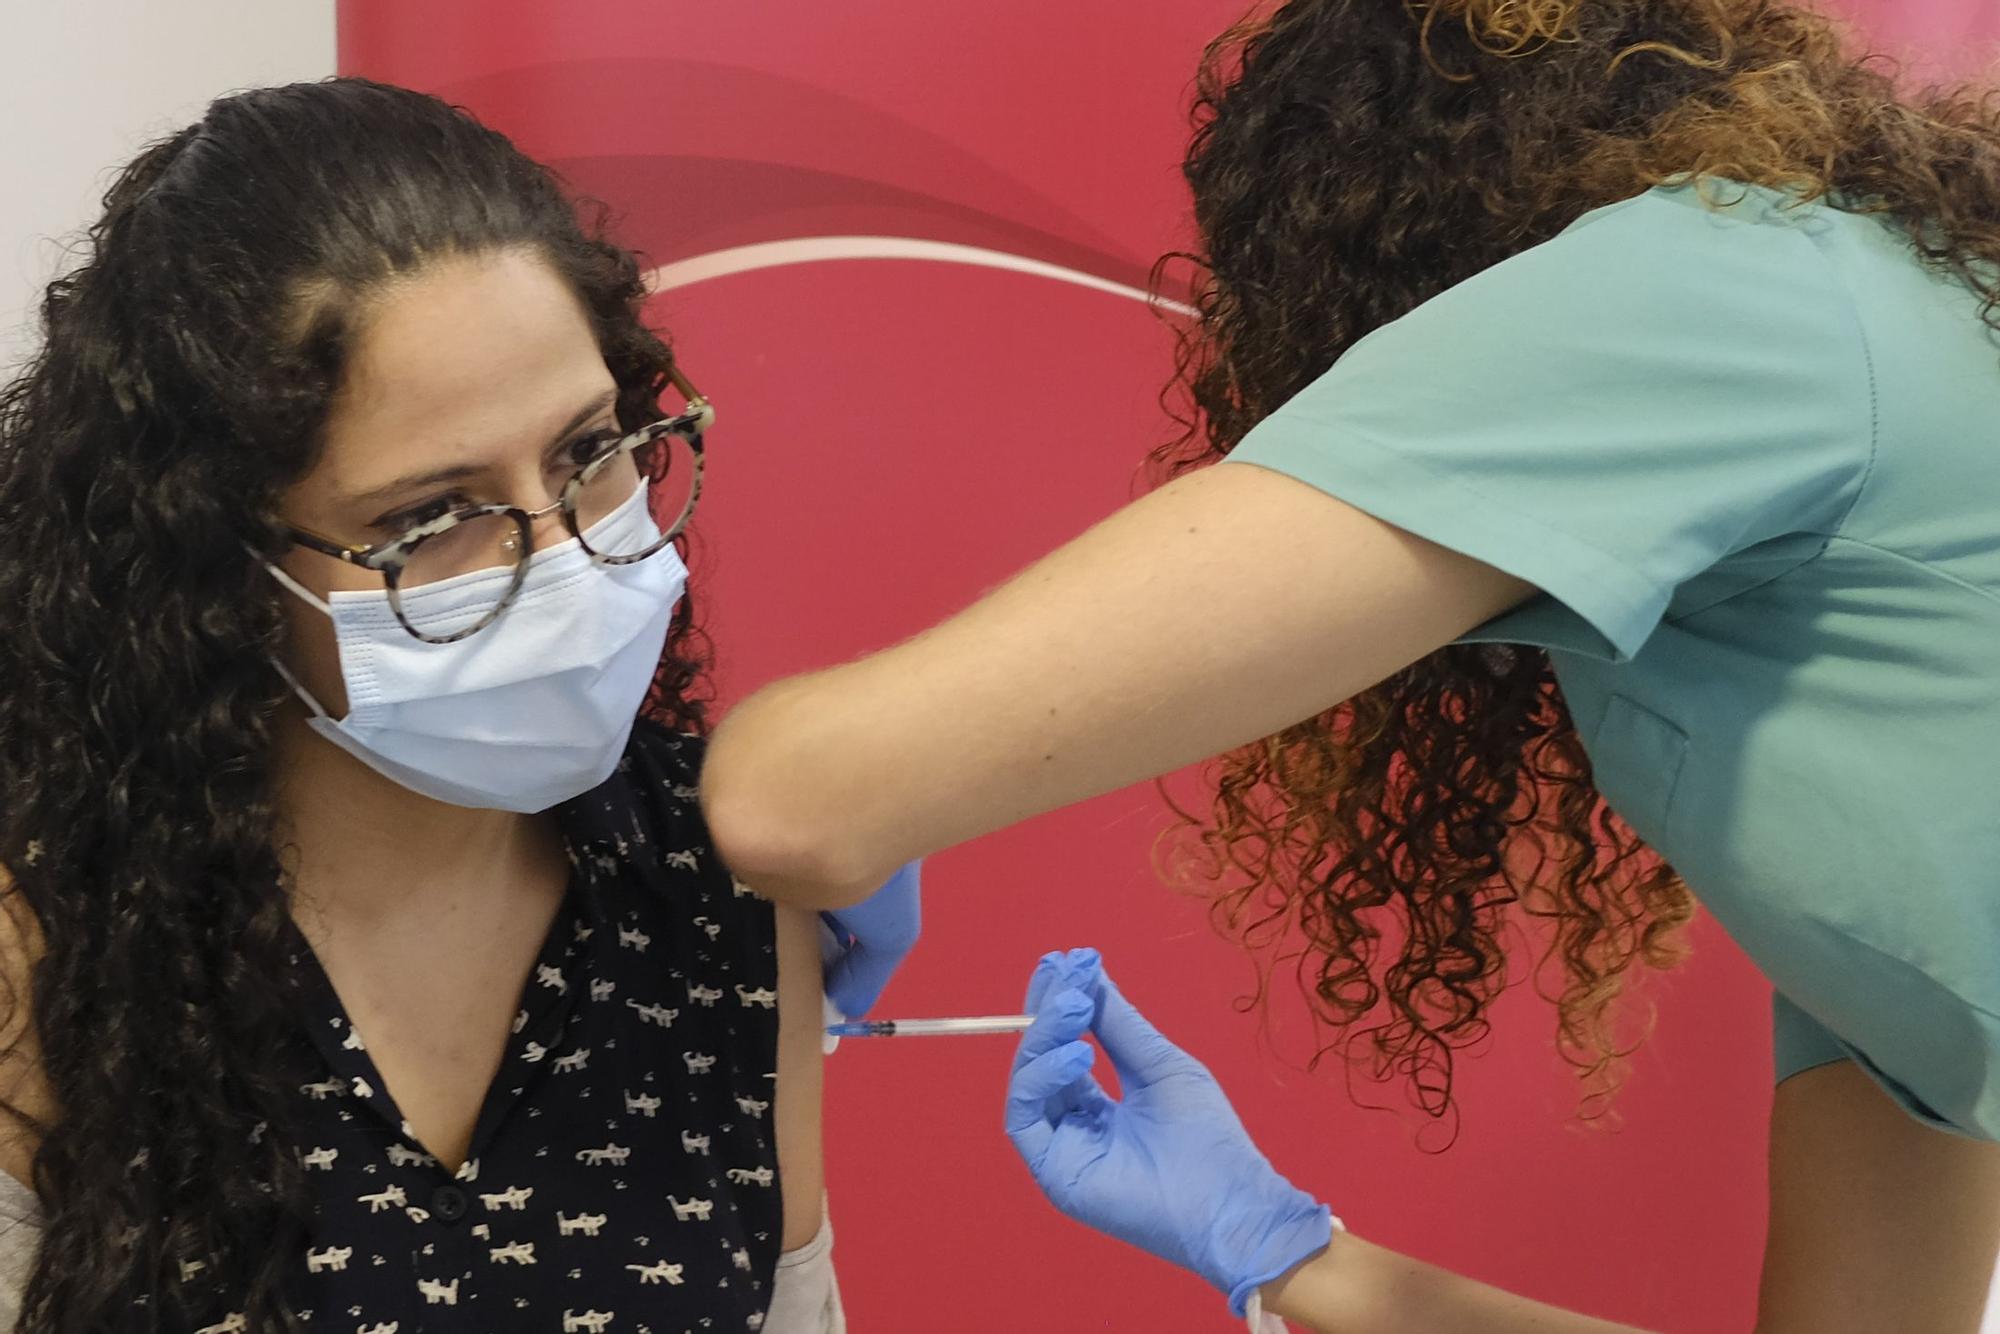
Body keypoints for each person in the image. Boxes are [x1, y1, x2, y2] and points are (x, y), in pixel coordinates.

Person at [699, 0, 2000, 1329]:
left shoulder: (1701, 284)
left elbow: (793, 801)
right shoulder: (1847, 798)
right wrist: (1291, 1252)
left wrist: (857, 807)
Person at [0, 78, 913, 1333]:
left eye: (589, 452)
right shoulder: (48, 952)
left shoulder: (724, 897)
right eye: (428, 518)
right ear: (214, 565)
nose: (559, 564)